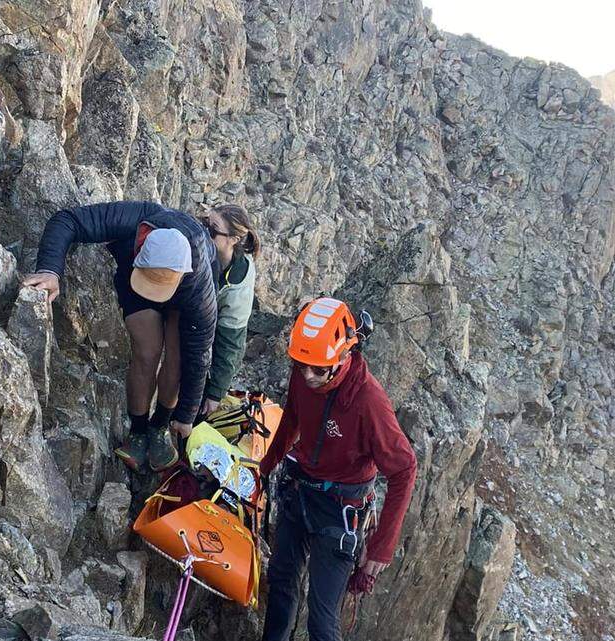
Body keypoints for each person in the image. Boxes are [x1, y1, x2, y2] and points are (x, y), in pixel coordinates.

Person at [259, 297, 418, 641]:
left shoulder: (368, 401)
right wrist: (265, 466)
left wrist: (380, 548)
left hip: (339, 511)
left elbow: (404, 470)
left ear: (344, 356)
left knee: (321, 620)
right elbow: (293, 418)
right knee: (281, 583)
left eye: (317, 368)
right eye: (300, 365)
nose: (307, 375)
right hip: (300, 490)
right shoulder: (307, 367)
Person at [21, 201, 218, 472]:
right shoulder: (134, 219)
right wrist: (50, 271)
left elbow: (199, 354)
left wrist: (185, 416)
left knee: (177, 356)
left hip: (181, 293)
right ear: (142, 242)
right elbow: (67, 220)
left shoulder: (200, 289)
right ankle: (138, 431)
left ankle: (159, 427)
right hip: (135, 276)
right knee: (147, 352)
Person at [197, 204, 261, 418]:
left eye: (213, 231)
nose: (206, 232)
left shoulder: (239, 283)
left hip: (212, 334)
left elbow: (230, 342)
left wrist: (215, 393)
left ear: (233, 240)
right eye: (206, 224)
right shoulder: (201, 246)